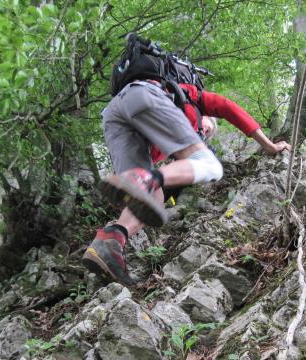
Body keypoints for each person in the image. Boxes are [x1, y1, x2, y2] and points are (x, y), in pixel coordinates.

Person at [83, 79, 291, 286]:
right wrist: (270, 146)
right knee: (211, 165)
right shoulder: (192, 98)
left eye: (207, 134)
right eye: (208, 127)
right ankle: (143, 178)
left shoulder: (164, 139)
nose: (204, 133)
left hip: (115, 116)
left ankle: (111, 242)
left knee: (153, 199)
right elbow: (229, 107)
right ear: (205, 116)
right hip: (145, 95)